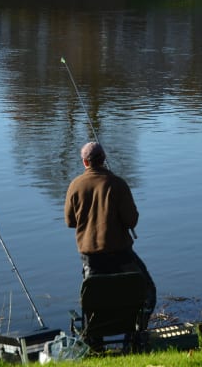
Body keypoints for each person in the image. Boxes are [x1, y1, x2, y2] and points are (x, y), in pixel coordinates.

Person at [64, 141, 156, 330]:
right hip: (121, 255)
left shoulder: (75, 185)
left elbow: (70, 222)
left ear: (85, 163)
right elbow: (132, 221)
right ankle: (138, 331)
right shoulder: (118, 184)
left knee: (94, 298)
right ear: (104, 160)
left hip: (90, 258)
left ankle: (94, 337)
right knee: (147, 290)